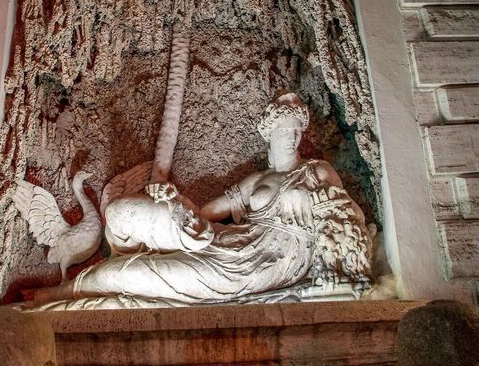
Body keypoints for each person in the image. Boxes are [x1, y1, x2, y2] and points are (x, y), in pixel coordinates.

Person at [34, 92, 372, 307]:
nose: (292, 136)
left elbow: (346, 218)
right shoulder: (256, 180)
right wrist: (174, 200)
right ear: (269, 134)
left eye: (297, 129)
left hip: (263, 264)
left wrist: (345, 263)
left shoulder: (317, 171)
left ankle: (69, 291)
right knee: (120, 211)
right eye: (284, 129)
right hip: (230, 242)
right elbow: (206, 214)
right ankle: (87, 277)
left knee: (130, 274)